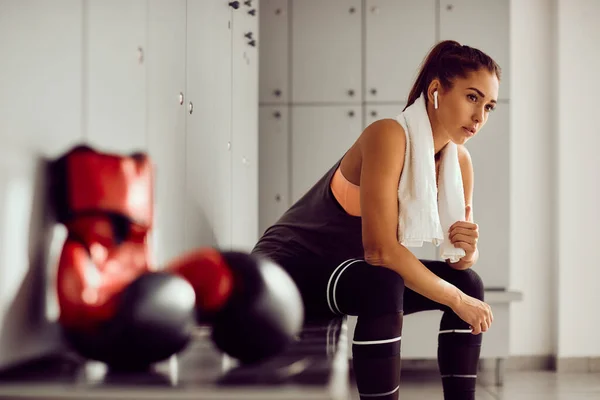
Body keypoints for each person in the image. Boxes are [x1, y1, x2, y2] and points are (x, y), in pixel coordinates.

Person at [252, 40, 500, 400]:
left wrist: (468, 252)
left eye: (489, 105)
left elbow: (459, 259)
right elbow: (381, 250)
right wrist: (456, 301)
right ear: (436, 91)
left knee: (470, 283)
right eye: (472, 98)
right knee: (384, 281)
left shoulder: (459, 163)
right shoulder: (389, 135)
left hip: (351, 272)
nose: (480, 117)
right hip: (287, 270)